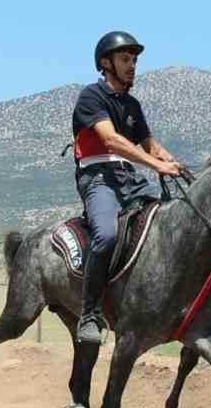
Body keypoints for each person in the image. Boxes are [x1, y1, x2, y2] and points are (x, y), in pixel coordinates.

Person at [70, 30, 185, 345]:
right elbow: (111, 140)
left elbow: (149, 144)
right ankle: (90, 313)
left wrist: (171, 160)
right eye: (125, 59)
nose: (132, 65)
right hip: (98, 177)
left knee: (168, 222)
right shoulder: (91, 96)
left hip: (128, 178)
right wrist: (157, 166)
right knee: (106, 235)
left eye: (134, 60)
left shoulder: (132, 105)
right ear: (106, 63)